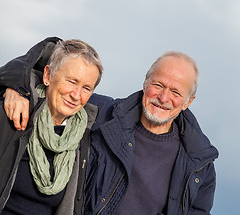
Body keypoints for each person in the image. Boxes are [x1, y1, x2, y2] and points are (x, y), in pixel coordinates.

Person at [0, 37, 218, 215]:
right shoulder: (103, 114)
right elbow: (57, 77)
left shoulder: (199, 164)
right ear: (145, 83)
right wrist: (15, 87)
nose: (163, 97)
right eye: (158, 85)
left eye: (176, 92)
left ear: (188, 102)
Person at [0, 38, 103, 215]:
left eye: (86, 88)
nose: (76, 95)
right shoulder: (11, 112)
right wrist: (8, 87)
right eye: (71, 81)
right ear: (47, 76)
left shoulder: (82, 138)